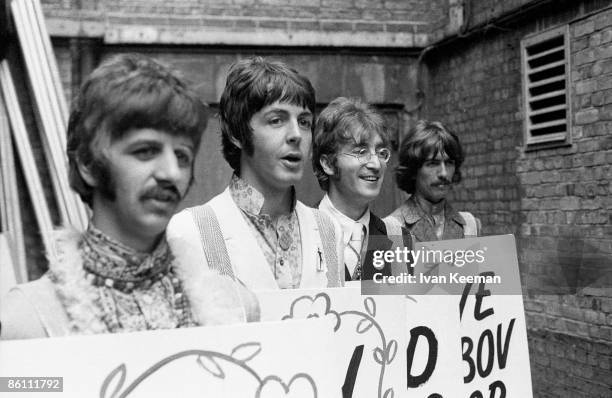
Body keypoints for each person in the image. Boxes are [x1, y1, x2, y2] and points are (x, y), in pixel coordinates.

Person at [0, 54, 257, 340]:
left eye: (182, 156)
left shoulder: (236, 307)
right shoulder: (28, 321)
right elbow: (26, 387)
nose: (171, 173)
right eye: (145, 151)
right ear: (87, 163)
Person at [168, 56, 344, 291]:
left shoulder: (329, 229)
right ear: (236, 133)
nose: (296, 135)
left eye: (304, 122)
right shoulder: (190, 231)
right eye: (276, 120)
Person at [313, 97, 411, 281]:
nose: (376, 164)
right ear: (327, 164)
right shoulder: (302, 233)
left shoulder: (400, 239)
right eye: (361, 152)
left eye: (382, 153)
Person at [387, 120, 481, 242]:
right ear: (414, 170)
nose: (444, 173)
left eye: (449, 163)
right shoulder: (391, 228)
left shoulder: (469, 225)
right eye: (433, 163)